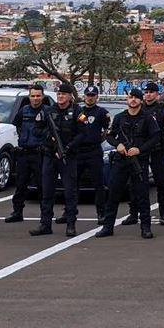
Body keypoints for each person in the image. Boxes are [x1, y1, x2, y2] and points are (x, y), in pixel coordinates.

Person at [95, 88, 161, 240]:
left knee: (142, 195)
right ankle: (108, 227)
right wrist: (117, 145)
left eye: (136, 98)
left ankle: (145, 228)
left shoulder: (148, 118)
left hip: (139, 161)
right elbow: (110, 136)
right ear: (127, 99)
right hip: (121, 161)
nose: (133, 100)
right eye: (131, 97)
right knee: (113, 194)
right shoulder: (119, 117)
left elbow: (156, 137)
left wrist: (140, 149)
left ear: (140, 100)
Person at [35, 83, 82, 237]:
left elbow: (82, 134)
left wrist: (67, 148)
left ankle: (70, 225)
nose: (60, 96)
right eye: (59, 94)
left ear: (70, 96)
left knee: (70, 192)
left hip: (68, 156)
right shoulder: (48, 111)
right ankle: (45, 224)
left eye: (63, 94)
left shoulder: (76, 112)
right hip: (50, 156)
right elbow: (37, 130)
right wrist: (50, 140)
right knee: (47, 191)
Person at [5, 84, 50, 225]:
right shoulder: (24, 110)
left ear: (42, 96)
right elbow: (17, 125)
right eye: (33, 96)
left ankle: (45, 215)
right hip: (24, 153)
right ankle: (17, 212)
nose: (35, 98)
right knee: (20, 184)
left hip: (40, 154)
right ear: (29, 97)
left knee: (42, 186)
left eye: (38, 96)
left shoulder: (48, 112)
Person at [71, 85, 112, 226]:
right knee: (73, 183)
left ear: (97, 97)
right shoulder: (77, 111)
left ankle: (101, 213)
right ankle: (69, 212)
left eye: (93, 95)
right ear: (84, 96)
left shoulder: (102, 112)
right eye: (88, 95)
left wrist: (97, 141)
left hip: (94, 151)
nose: (90, 97)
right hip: (78, 151)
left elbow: (106, 130)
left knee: (98, 184)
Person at [140, 81, 164, 227]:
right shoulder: (139, 109)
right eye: (146, 92)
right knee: (139, 183)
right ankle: (134, 212)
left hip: (156, 151)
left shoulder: (163, 111)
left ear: (157, 94)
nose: (148, 94)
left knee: (161, 183)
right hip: (141, 151)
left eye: (151, 92)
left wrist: (162, 143)